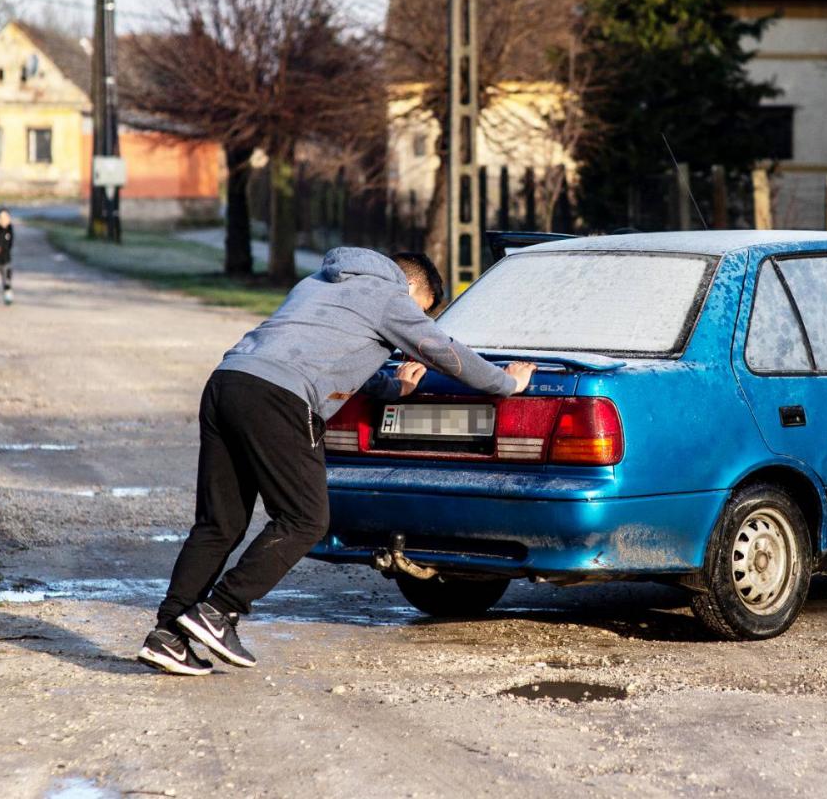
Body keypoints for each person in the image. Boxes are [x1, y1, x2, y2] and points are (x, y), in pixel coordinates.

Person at [138, 248, 534, 676]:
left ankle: (167, 635)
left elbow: (332, 357)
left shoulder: (320, 283)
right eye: (420, 312)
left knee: (219, 524)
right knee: (305, 519)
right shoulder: (389, 296)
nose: (414, 322)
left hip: (229, 382)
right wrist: (507, 382)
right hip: (280, 398)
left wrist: (394, 389)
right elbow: (444, 352)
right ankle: (220, 610)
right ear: (412, 287)